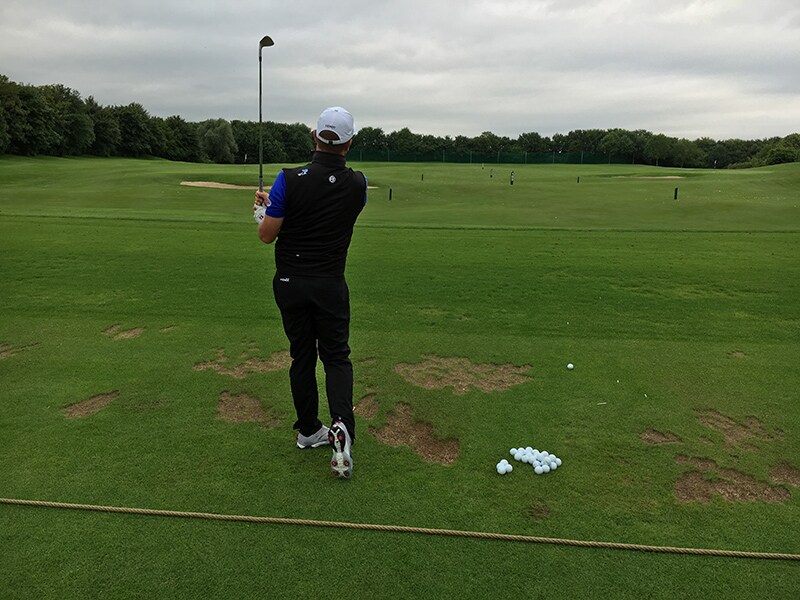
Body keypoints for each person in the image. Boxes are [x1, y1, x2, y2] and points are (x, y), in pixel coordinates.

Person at [253, 107, 367, 479]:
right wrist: (279, 205)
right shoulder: (358, 185)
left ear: (314, 137)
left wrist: (266, 210)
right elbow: (324, 206)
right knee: (336, 357)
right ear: (349, 143)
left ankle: (307, 430)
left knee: (302, 356)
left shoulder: (288, 179)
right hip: (330, 284)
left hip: (290, 284)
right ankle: (342, 424)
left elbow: (267, 234)